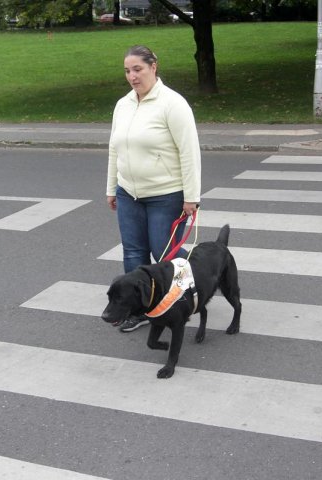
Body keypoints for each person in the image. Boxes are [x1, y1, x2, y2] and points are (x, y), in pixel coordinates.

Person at [106, 45, 202, 332]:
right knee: (134, 254)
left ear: (153, 67)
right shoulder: (123, 104)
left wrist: (192, 197)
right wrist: (112, 187)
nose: (132, 76)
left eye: (138, 69)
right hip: (128, 193)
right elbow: (115, 149)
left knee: (165, 253)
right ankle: (137, 309)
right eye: (127, 71)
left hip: (165, 193)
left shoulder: (173, 103)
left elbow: (189, 152)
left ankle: (192, 288)